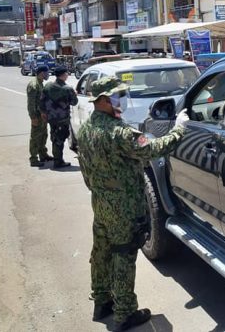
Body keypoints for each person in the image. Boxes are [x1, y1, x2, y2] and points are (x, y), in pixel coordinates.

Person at [76, 76, 188, 330]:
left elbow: (85, 169)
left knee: (102, 251)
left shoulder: (87, 129)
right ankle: (125, 312)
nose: (122, 100)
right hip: (124, 206)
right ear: (103, 101)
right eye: (117, 96)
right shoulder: (120, 133)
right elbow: (153, 148)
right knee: (124, 254)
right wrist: (179, 129)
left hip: (101, 202)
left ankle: (102, 301)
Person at [40, 66, 78, 168]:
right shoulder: (67, 89)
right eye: (66, 73)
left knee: (54, 137)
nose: (67, 75)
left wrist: (43, 113)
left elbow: (41, 101)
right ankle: (58, 161)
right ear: (63, 75)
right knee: (60, 139)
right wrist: (74, 94)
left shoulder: (48, 86)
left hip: (51, 118)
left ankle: (58, 159)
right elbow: (74, 102)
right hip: (62, 118)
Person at [27, 65, 52, 167]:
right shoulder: (34, 85)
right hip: (37, 116)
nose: (48, 74)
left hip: (42, 115)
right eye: (47, 72)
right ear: (42, 73)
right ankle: (33, 159)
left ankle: (43, 154)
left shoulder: (40, 83)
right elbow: (31, 103)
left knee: (43, 135)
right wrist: (33, 117)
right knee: (35, 137)